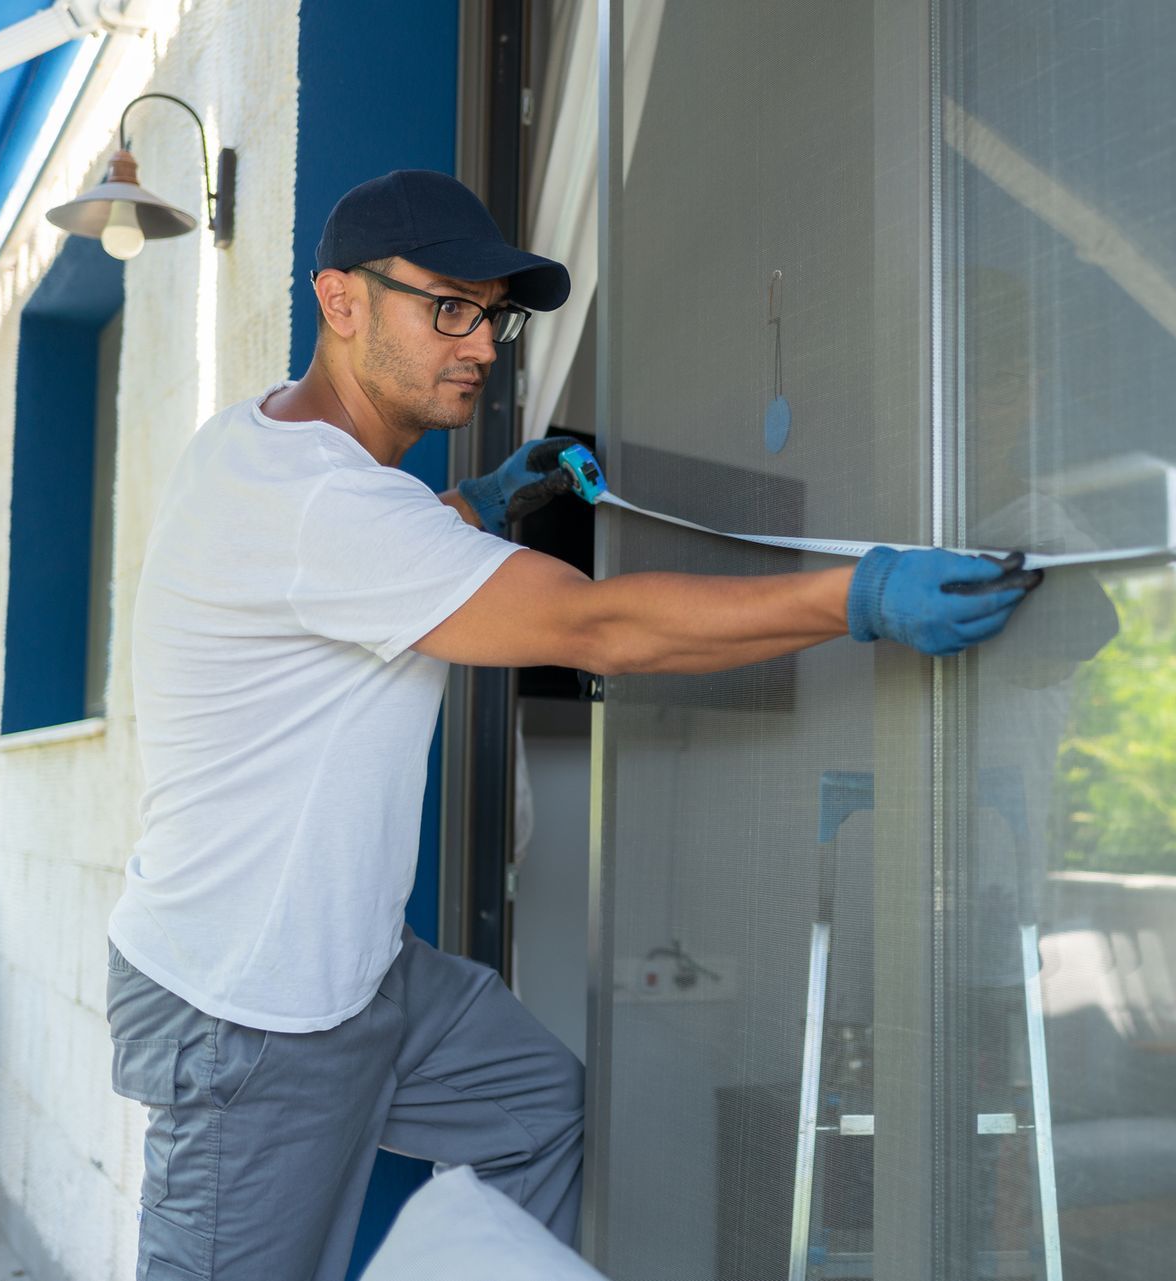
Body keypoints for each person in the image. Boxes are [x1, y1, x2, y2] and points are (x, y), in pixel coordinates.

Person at [101, 169, 1040, 1281]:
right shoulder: (325, 504)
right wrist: (859, 596)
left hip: (361, 975)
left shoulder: (267, 444)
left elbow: (348, 572)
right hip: (245, 1012)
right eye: (446, 307)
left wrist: (476, 507)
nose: (483, 344)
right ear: (339, 302)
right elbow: (601, 628)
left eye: (491, 316)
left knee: (540, 1110)